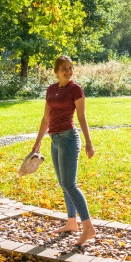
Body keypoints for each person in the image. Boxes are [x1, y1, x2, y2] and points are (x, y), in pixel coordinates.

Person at [32, 55, 96, 245]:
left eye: (70, 68)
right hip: (54, 139)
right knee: (63, 183)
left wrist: (89, 143)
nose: (68, 71)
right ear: (56, 71)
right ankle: (71, 222)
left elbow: (82, 118)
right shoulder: (51, 90)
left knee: (70, 184)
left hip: (69, 139)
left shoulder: (76, 89)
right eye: (64, 68)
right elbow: (46, 118)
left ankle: (88, 227)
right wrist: (38, 142)